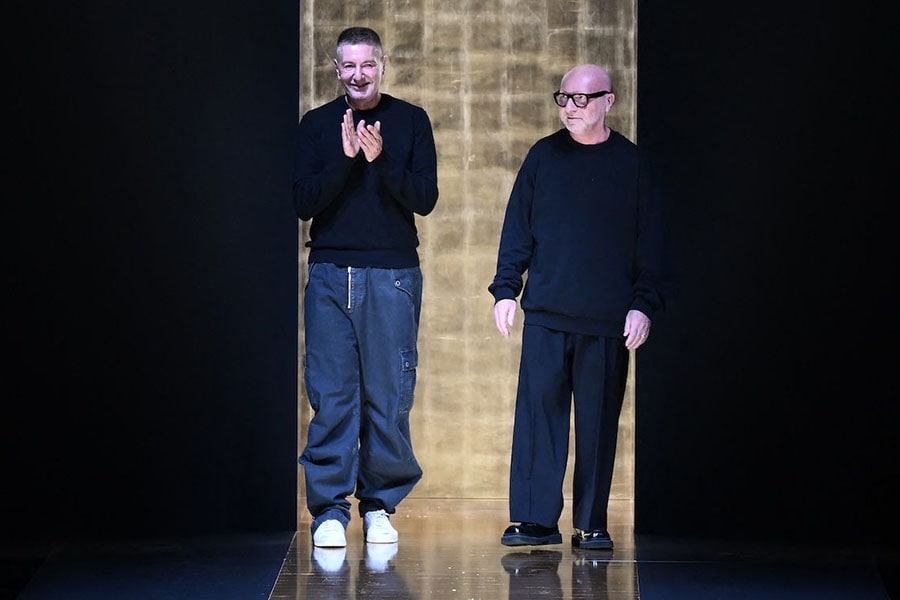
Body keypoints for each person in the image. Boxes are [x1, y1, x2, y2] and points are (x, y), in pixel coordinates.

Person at [488, 64, 672, 550]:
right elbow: (517, 229)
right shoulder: (543, 157)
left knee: (597, 424)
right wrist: (506, 288)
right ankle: (533, 519)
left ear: (609, 101)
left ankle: (592, 521)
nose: (570, 108)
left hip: (608, 320)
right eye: (563, 98)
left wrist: (642, 305)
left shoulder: (633, 165)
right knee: (538, 420)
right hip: (547, 312)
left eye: (581, 99)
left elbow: (651, 244)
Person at [292, 26, 439, 549]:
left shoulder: (411, 121)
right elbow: (303, 202)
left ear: (382, 65)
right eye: (348, 66)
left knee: (389, 396)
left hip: (392, 276)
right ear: (336, 69)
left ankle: (379, 505)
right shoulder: (316, 125)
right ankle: (329, 509)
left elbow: (425, 198)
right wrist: (347, 158)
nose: (358, 74)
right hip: (331, 273)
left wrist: (381, 161)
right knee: (331, 396)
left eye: (367, 65)